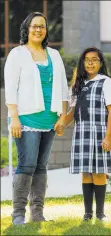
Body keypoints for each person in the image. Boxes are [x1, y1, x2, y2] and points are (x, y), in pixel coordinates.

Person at [4, 12, 69, 225]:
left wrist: (62, 117)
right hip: (25, 119)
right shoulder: (17, 54)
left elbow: (63, 88)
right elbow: (11, 89)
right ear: (27, 28)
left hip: (50, 120)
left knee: (41, 166)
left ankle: (38, 213)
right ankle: (18, 214)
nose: (38, 30)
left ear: (46, 30)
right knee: (27, 164)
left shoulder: (54, 55)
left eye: (42, 26)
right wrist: (14, 118)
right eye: (34, 26)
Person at [64, 47, 111, 221]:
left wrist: (109, 136)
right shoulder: (77, 85)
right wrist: (60, 124)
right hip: (81, 133)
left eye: (94, 59)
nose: (90, 62)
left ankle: (100, 213)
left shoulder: (106, 82)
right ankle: (88, 213)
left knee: (99, 172)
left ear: (100, 63)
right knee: (86, 172)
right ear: (82, 63)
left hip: (99, 132)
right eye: (87, 59)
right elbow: (73, 112)